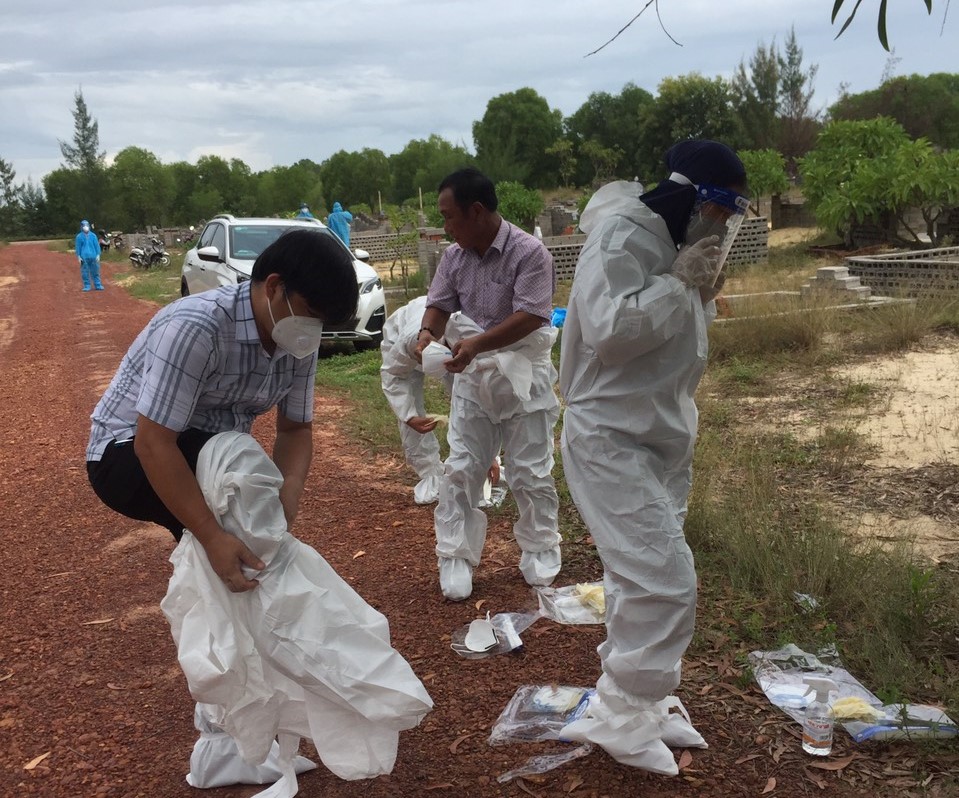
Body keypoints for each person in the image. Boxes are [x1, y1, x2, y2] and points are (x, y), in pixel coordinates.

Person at [557, 140, 748, 774]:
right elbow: (613, 333)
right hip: (610, 434)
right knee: (666, 578)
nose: (721, 225)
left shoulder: (675, 243)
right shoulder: (621, 237)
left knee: (636, 574)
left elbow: (678, 343)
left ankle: (647, 699)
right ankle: (620, 709)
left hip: (660, 433)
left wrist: (696, 286)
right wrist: (677, 284)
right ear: (689, 196)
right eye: (717, 209)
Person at [86, 228, 359, 593]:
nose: (314, 332)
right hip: (125, 454)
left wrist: (288, 493)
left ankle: (230, 631)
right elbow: (154, 444)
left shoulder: (295, 341)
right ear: (275, 287)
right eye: (311, 315)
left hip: (203, 452)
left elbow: (295, 430)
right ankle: (248, 628)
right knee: (236, 507)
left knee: (249, 517)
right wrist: (212, 536)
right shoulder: (198, 327)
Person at [416, 167, 561, 601]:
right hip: (475, 380)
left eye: (449, 217)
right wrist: (427, 333)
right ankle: (456, 554)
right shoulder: (454, 258)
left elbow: (533, 314)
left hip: (523, 378)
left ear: (476, 211)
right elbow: (439, 305)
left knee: (531, 470)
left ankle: (540, 548)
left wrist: (477, 343)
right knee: (462, 467)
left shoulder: (529, 252)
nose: (445, 228)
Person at [380, 295, 503, 505]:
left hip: (453, 350)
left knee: (468, 401)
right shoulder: (409, 342)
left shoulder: (469, 336)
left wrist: (489, 454)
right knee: (414, 409)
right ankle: (429, 473)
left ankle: (476, 465)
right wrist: (409, 416)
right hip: (408, 339)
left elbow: (476, 401)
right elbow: (394, 375)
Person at [75, 218, 103, 291]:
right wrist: (78, 256)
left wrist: (98, 254)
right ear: (81, 227)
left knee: (95, 271)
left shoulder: (93, 236)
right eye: (84, 225)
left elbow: (96, 245)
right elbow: (78, 247)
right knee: (85, 272)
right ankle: (87, 285)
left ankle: (98, 284)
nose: (85, 227)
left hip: (94, 256)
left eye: (86, 225)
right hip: (84, 257)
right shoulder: (79, 237)